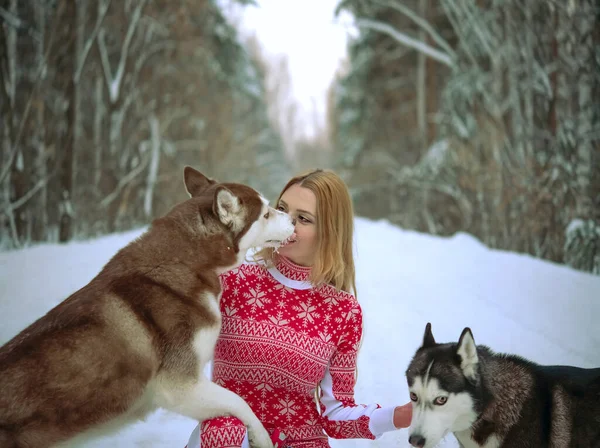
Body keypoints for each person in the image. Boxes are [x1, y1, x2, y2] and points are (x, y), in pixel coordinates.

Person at [185, 169, 412, 448]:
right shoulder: (231, 280)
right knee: (225, 432)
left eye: (302, 219)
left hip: (301, 441)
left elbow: (336, 413)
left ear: (329, 232)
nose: (285, 222)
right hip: (228, 436)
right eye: (280, 210)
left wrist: (398, 416)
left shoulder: (343, 312)